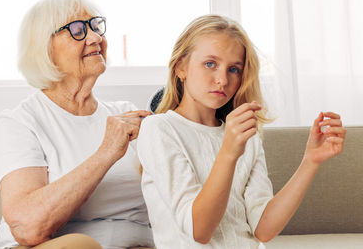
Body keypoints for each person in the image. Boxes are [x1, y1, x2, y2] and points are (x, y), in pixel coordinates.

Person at [137, 15, 346, 248]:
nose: (222, 80)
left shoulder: (246, 135)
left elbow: (264, 229)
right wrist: (229, 152)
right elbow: (200, 230)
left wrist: (310, 161)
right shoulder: (159, 130)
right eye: (210, 64)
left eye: (234, 69)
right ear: (181, 67)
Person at [0, 0, 154, 249]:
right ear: (43, 47)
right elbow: (27, 227)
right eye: (77, 30)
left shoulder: (126, 114)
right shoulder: (18, 122)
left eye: (96, 25)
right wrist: (107, 152)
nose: (96, 37)